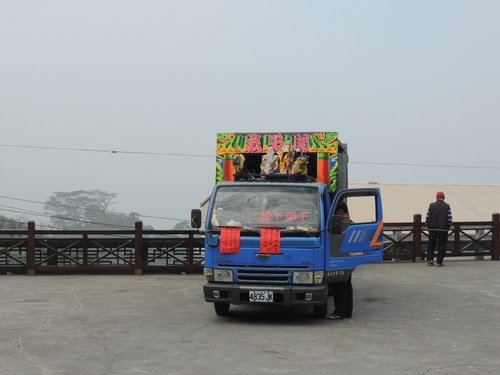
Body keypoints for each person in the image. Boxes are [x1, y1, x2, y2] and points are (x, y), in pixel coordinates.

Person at [327, 201, 354, 320]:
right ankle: (347, 311)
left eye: (335, 212)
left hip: (340, 258)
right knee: (347, 285)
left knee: (339, 285)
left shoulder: (342, 224)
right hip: (349, 258)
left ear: (340, 212)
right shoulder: (351, 223)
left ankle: (339, 312)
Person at [425, 191, 452, 267]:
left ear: (436, 197)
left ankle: (430, 260)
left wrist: (428, 226)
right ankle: (439, 262)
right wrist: (448, 227)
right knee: (442, 246)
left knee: (431, 245)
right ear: (444, 197)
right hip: (443, 230)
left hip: (432, 230)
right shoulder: (447, 206)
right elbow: (450, 219)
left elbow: (427, 217)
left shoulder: (431, 205)